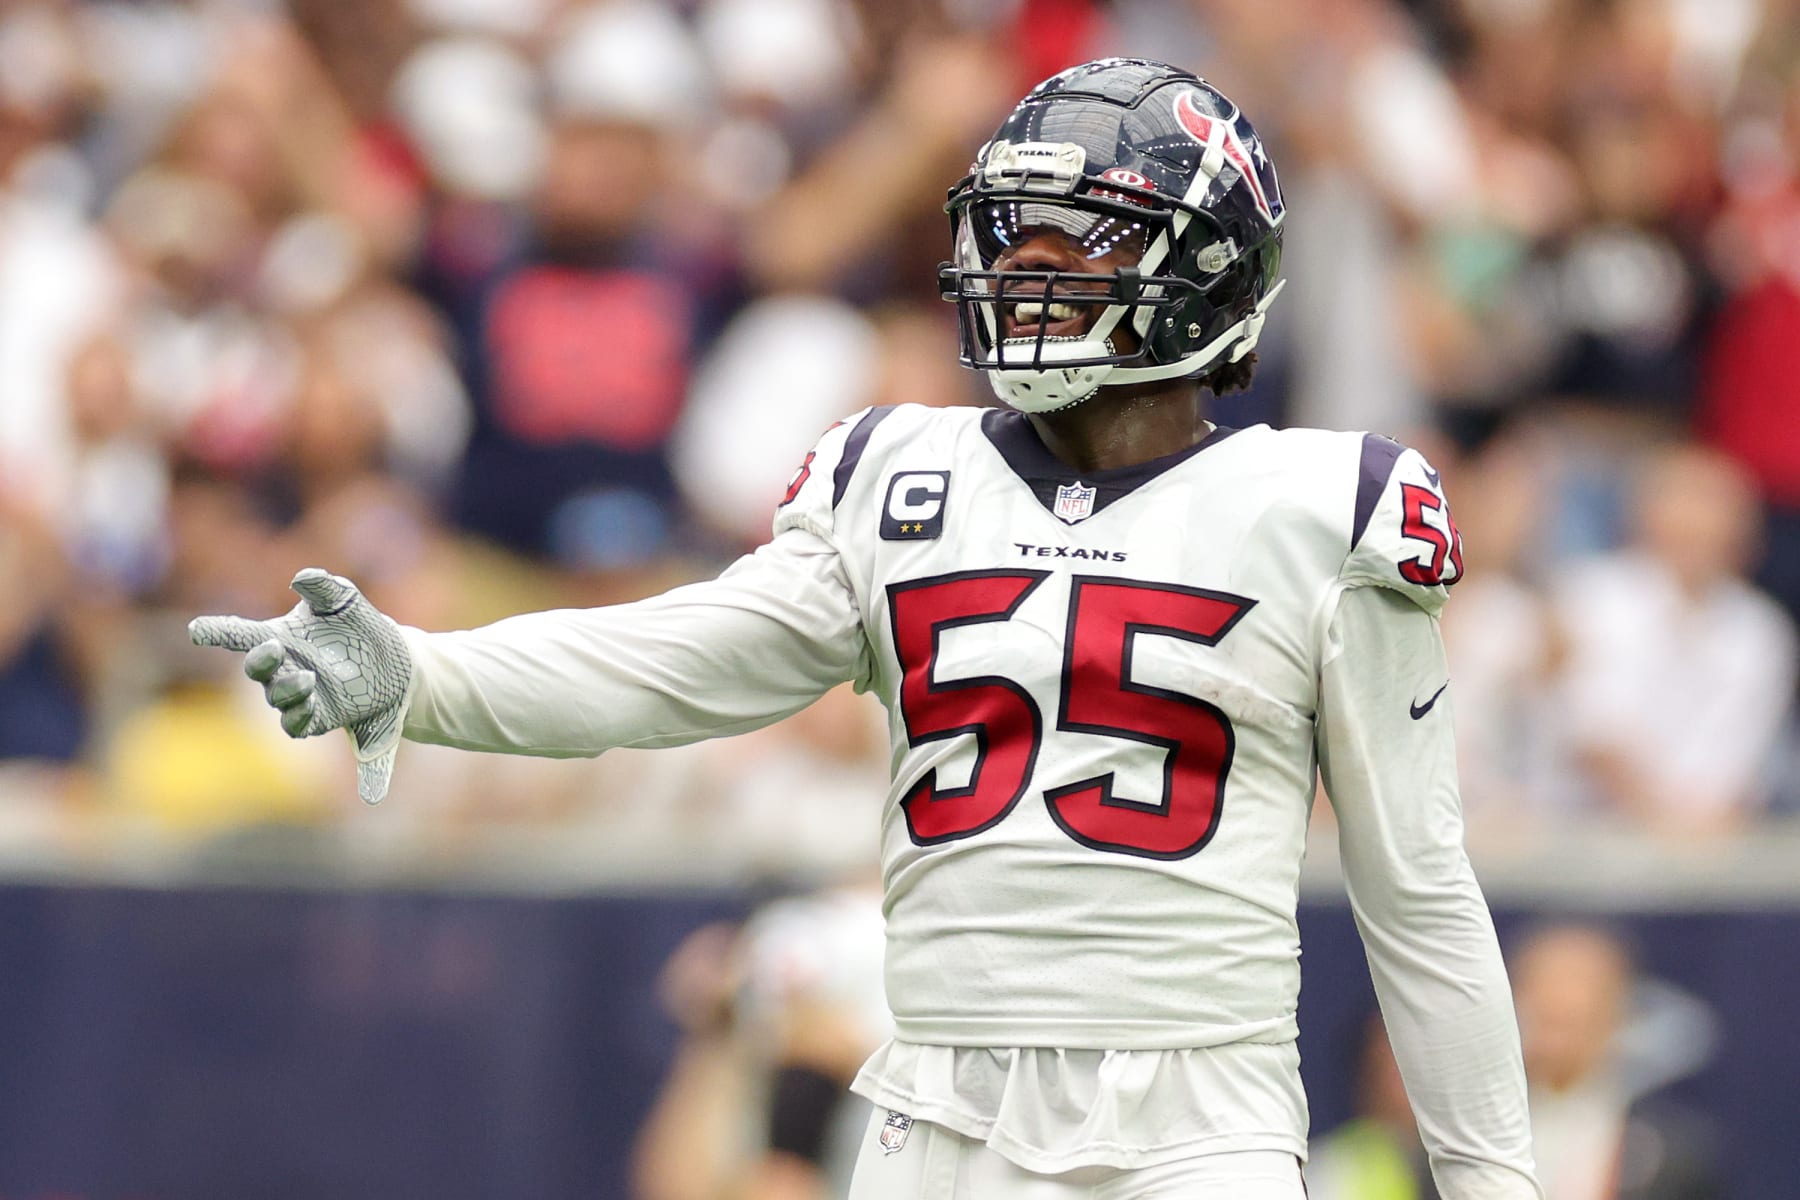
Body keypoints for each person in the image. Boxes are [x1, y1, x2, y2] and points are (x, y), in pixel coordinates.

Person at [191, 59, 1539, 1199]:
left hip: (1197, 1125)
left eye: (1078, 240)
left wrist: (1495, 1182)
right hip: (929, 1111)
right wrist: (420, 673)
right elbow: (681, 658)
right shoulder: (898, 473)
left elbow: (1417, 895)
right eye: (1012, 235)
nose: (1026, 272)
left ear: (1210, 269)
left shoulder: (1321, 508)